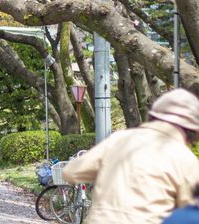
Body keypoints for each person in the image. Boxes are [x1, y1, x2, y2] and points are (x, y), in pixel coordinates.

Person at [63, 89, 199, 223]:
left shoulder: (119, 139)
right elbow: (188, 209)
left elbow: (71, 173)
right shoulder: (187, 160)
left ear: (152, 117)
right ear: (192, 131)